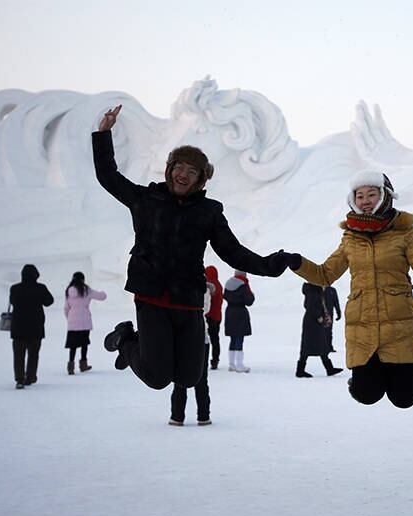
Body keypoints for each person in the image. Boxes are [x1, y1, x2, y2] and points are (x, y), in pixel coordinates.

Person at [93, 105, 298, 391]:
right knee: (157, 378)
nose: (183, 174)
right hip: (151, 296)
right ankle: (126, 339)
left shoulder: (209, 212)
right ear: (169, 169)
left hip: (188, 298)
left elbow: (232, 251)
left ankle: (141, 347)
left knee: (190, 377)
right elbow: (108, 176)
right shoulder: (145, 200)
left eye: (192, 171)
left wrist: (268, 265)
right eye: (179, 167)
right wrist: (103, 134)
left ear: (201, 180)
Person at [290, 170, 413, 406]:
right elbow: (325, 274)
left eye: (371, 194)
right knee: (366, 394)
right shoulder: (350, 237)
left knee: (404, 397)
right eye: (360, 195)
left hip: (400, 325)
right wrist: (295, 262)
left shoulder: (404, 231)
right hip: (363, 328)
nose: (365, 201)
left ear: (385, 196)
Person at [169, 283, 214, 426]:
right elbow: (205, 308)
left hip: (188, 335)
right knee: (198, 378)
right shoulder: (202, 287)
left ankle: (179, 416)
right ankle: (202, 416)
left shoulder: (179, 286)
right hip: (197, 335)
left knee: (182, 378)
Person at [9, 264, 54, 389]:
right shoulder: (40, 288)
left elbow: (12, 301)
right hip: (36, 327)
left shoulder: (15, 288)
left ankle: (19, 378)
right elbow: (49, 301)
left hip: (18, 327)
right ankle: (30, 376)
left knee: (18, 355)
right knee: (33, 354)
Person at [296, 283, 344, 378]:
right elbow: (309, 306)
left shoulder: (316, 291)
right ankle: (300, 371)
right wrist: (318, 316)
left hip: (314, 322)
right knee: (309, 346)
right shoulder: (313, 292)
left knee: (321, 345)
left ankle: (329, 368)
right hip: (312, 322)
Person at [63, 271, 107, 375]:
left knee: (72, 345)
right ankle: (83, 365)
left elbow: (66, 308)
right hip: (84, 320)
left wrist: (69, 319)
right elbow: (102, 296)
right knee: (84, 343)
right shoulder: (86, 289)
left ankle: (70, 366)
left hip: (72, 321)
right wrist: (104, 291)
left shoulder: (69, 291)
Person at [224, 270, 254, 372]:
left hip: (230, 312)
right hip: (240, 313)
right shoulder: (244, 285)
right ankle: (239, 364)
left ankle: (231, 364)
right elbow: (249, 301)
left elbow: (225, 296)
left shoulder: (228, 283)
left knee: (233, 338)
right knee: (239, 338)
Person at [204, 265, 223, 369]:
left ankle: (204, 359)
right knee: (215, 339)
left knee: (205, 339)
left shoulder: (208, 286)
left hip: (208, 316)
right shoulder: (219, 285)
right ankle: (215, 360)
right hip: (217, 316)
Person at [323, 285, 342, 352]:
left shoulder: (332, 290)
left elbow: (336, 302)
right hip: (320, 314)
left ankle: (329, 347)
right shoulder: (318, 290)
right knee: (320, 331)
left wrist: (338, 313)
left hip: (329, 315)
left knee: (328, 331)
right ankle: (320, 347)